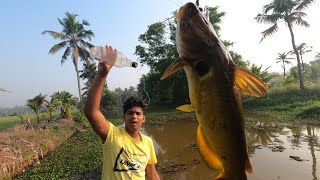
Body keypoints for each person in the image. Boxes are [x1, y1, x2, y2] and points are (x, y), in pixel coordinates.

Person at [84, 45, 160, 180]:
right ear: (124, 118)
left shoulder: (148, 142)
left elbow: (152, 174)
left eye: (138, 113)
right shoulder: (111, 134)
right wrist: (102, 75)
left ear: (144, 119)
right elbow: (91, 112)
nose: (134, 116)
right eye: (130, 113)